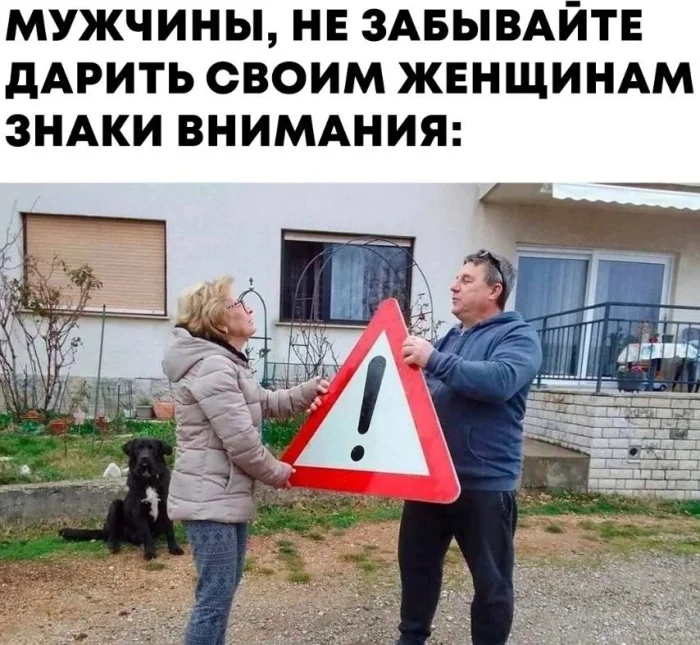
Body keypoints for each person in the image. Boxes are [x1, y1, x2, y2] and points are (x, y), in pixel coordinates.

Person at [162, 275, 329, 645]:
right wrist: (279, 472)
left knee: (221, 593)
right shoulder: (213, 367)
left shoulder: (227, 364)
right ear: (219, 320)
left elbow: (263, 403)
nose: (249, 308)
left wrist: (307, 392)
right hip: (209, 501)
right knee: (214, 599)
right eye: (238, 304)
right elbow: (242, 444)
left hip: (221, 497)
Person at [397, 250, 543, 645]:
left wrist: (434, 360)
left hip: (483, 483)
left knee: (491, 583)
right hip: (431, 479)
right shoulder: (450, 338)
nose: (453, 286)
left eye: (466, 280)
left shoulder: (518, 337)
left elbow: (500, 380)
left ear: (495, 290)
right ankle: (411, 639)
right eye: (456, 278)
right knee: (417, 568)